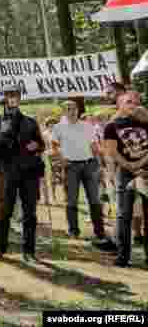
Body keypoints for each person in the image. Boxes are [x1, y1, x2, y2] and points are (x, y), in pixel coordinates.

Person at [0, 82, 45, 263]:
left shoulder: (30, 121)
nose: (13, 98)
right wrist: (8, 127)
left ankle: (29, 251)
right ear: (4, 99)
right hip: (7, 171)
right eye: (9, 95)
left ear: (19, 98)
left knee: (30, 212)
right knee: (4, 210)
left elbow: (41, 143)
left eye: (16, 95)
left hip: (29, 171)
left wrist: (37, 145)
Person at [51, 100, 112, 247]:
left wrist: (101, 163)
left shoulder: (87, 126)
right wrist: (61, 159)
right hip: (71, 166)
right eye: (68, 109)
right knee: (72, 199)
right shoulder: (58, 127)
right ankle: (73, 231)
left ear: (78, 110)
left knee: (94, 199)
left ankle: (99, 232)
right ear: (64, 111)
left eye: (73, 108)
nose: (71, 111)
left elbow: (93, 145)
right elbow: (53, 145)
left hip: (89, 164)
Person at [102, 91, 148, 267]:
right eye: (128, 101)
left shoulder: (145, 121)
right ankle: (123, 256)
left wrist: (141, 164)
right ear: (120, 104)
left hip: (146, 171)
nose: (133, 104)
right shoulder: (111, 126)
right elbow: (112, 151)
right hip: (125, 172)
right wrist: (129, 166)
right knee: (123, 215)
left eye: (136, 101)